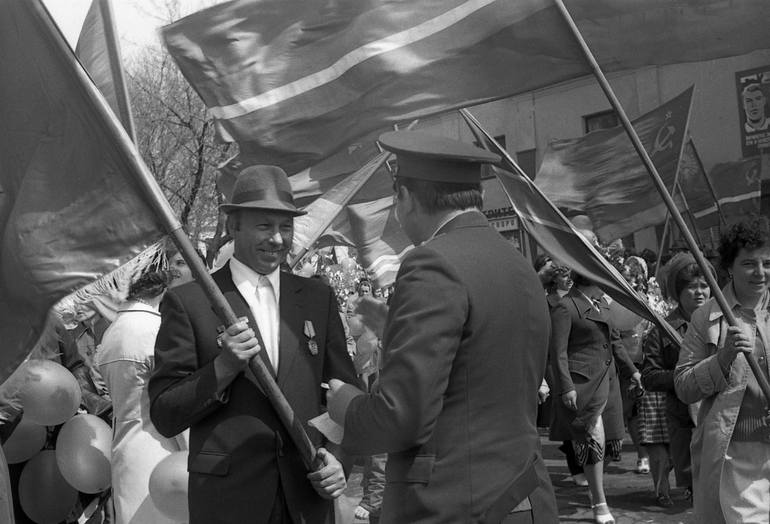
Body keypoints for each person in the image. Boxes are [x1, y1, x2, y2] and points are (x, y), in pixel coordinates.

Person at [327, 131, 558, 523]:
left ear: (407, 198)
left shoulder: (431, 263)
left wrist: (345, 406)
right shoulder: (516, 261)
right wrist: (394, 329)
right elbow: (480, 358)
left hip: (456, 502)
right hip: (520, 492)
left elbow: (403, 417)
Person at [148, 165, 359, 524]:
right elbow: (165, 414)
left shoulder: (316, 297)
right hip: (230, 503)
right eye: (264, 226)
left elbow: (343, 392)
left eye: (285, 227)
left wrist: (337, 456)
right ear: (233, 227)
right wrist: (223, 368)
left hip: (307, 499)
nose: (277, 239)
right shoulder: (191, 301)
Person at [675, 217, 770, 523]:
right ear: (730, 266)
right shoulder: (708, 316)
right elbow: (685, 386)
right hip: (736, 457)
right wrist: (723, 357)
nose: (760, 272)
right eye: (749, 264)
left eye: (767, 263)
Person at [96, 269, 188, 524]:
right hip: (162, 452)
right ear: (162, 286)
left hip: (126, 448)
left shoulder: (113, 330)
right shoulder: (155, 330)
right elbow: (176, 401)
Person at [549, 271, 642, 524]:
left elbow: (616, 343)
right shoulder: (565, 307)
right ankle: (599, 502)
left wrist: (632, 372)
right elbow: (557, 352)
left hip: (610, 384)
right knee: (593, 441)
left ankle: (594, 484)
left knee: (613, 445)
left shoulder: (602, 305)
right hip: (583, 384)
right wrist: (566, 385)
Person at [642, 252, 714, 506]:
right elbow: (649, 377)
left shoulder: (726, 321)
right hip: (685, 421)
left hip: (722, 415)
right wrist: (686, 375)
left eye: (704, 285)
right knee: (698, 492)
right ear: (677, 291)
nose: (699, 292)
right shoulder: (663, 330)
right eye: (691, 287)